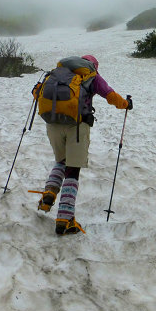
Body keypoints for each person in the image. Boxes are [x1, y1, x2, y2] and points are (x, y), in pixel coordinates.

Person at [37, 54, 132, 236]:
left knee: (61, 161)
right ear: (93, 66)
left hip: (52, 124)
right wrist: (126, 104)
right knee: (73, 170)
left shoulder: (56, 73)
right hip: (77, 127)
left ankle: (49, 194)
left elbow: (36, 93)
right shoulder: (92, 76)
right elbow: (110, 95)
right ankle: (65, 219)